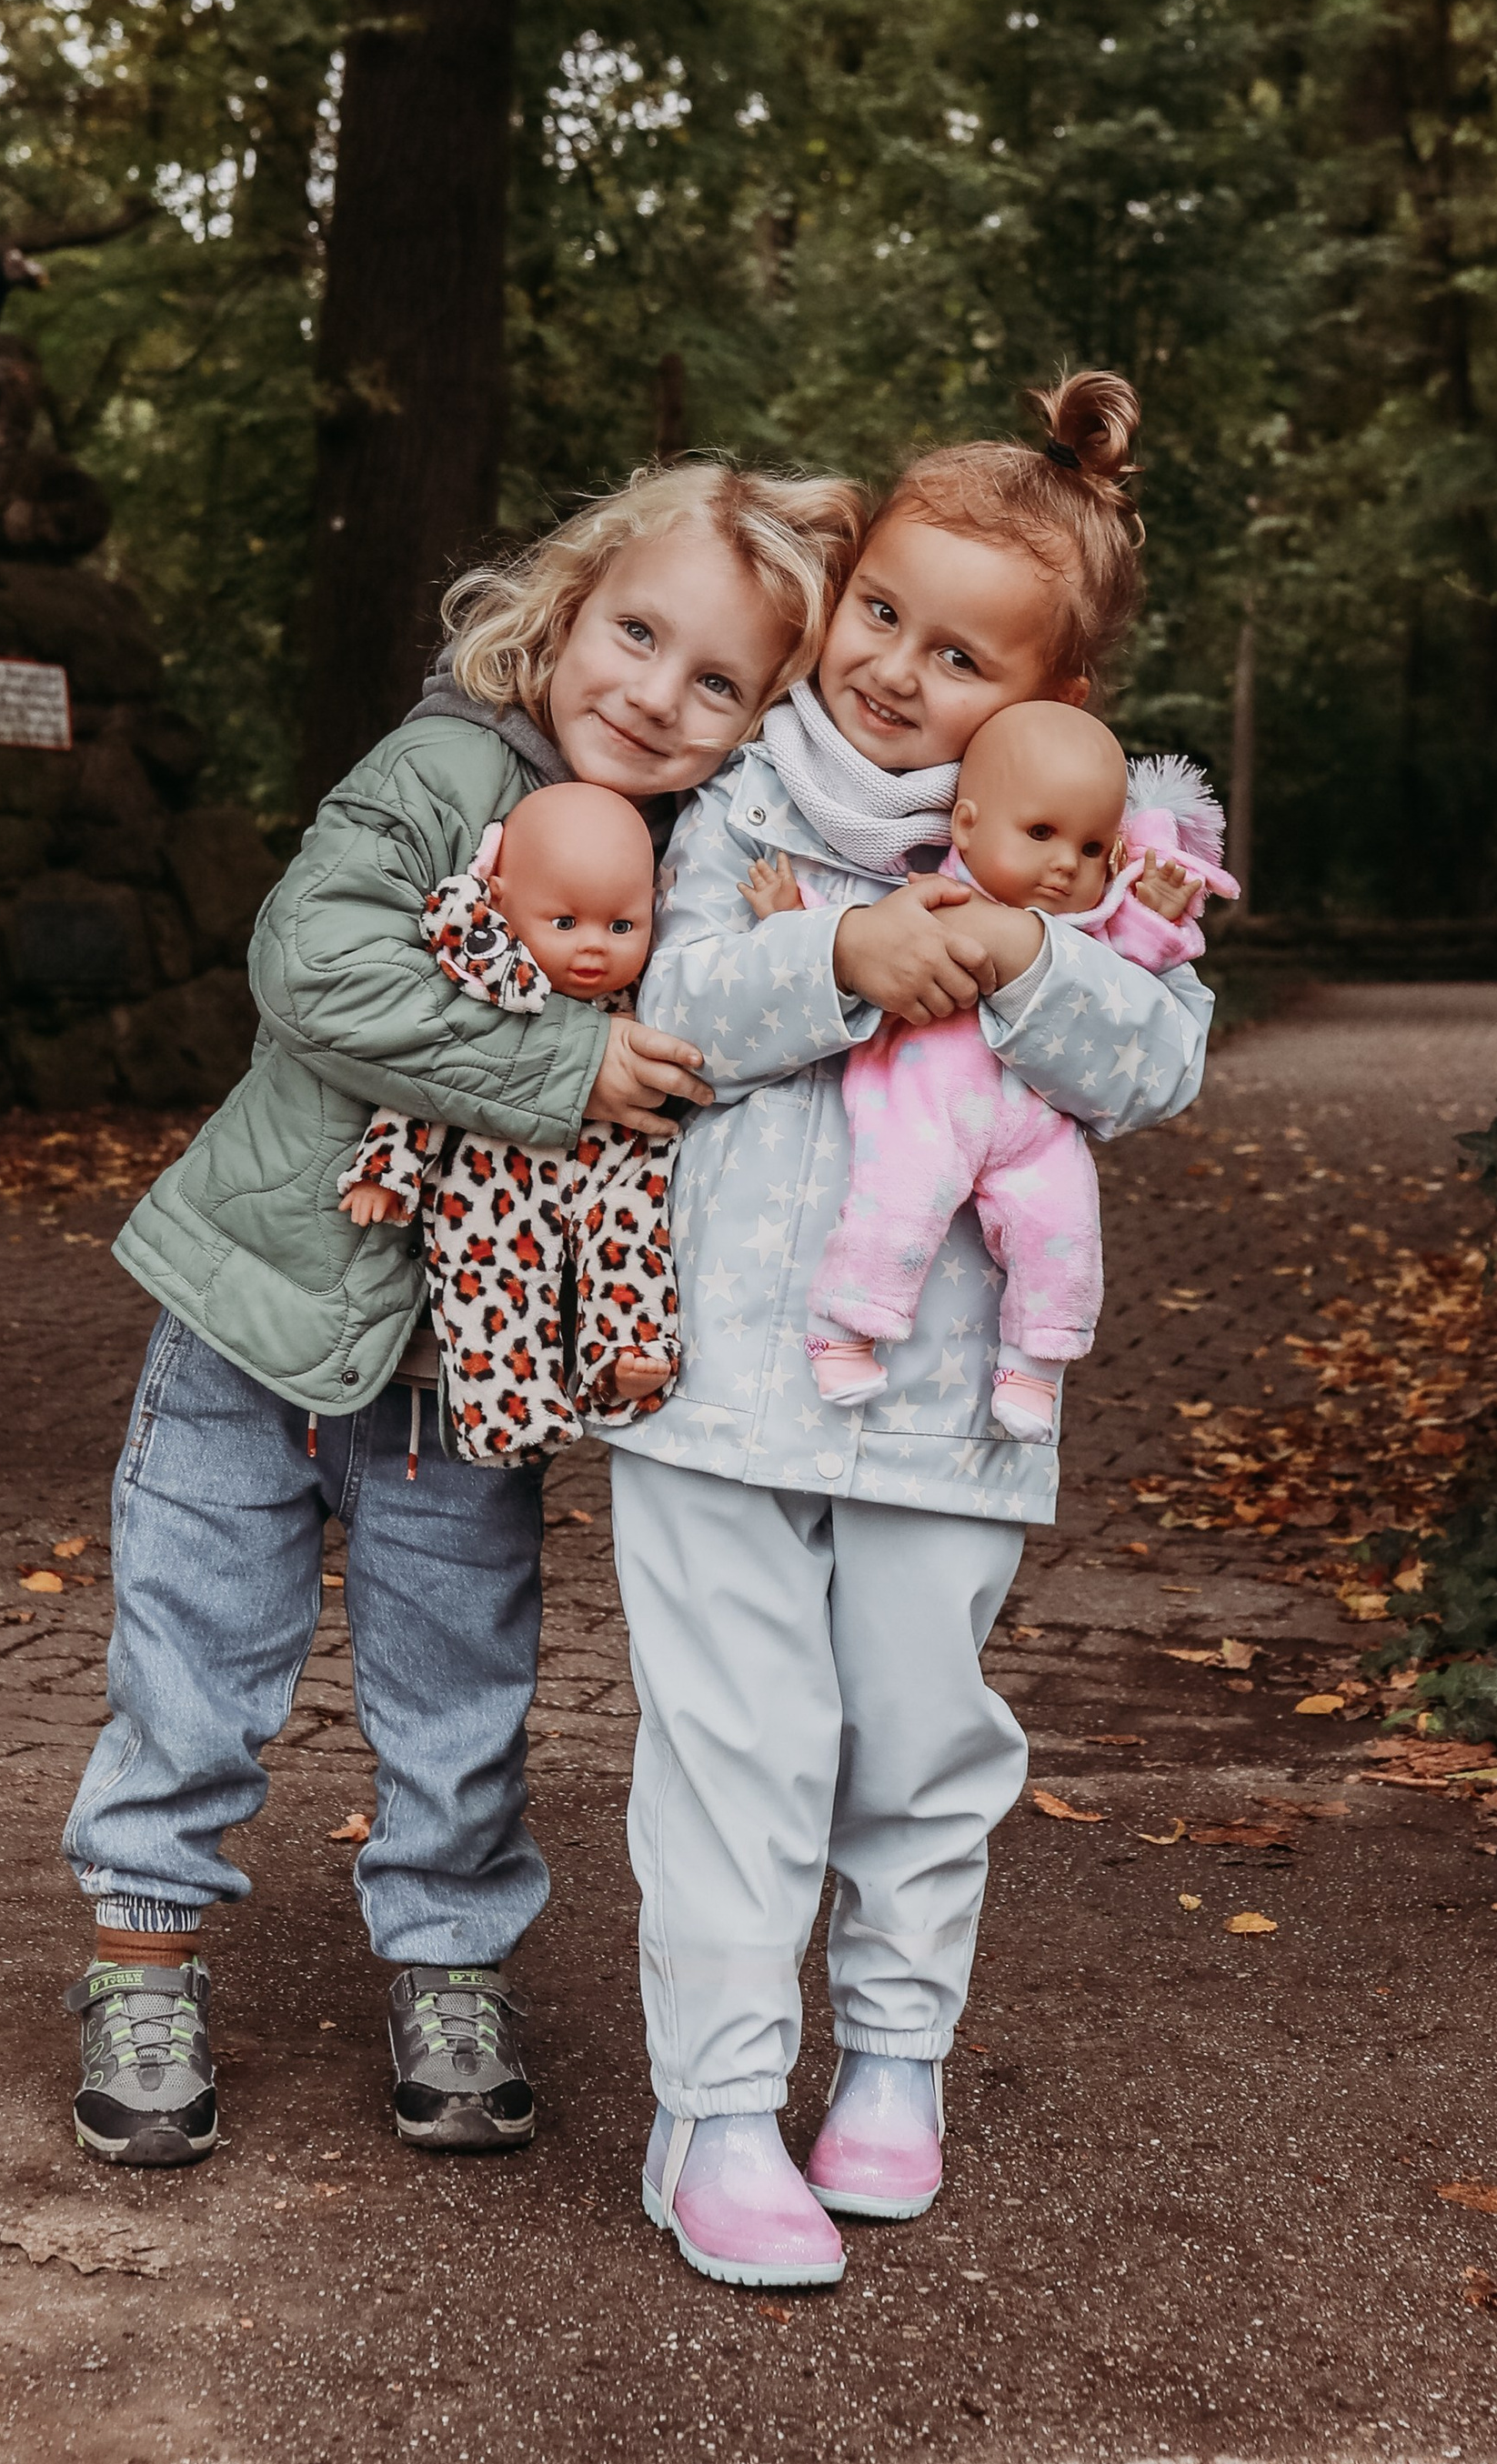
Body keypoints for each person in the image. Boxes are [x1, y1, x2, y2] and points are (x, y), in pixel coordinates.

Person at [59, 458, 866, 2169]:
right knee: (192, 1661)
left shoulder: (704, 857)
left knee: (459, 1689)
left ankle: (447, 1965)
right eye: (636, 633)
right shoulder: (442, 770)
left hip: (467, 1373)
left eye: (716, 679)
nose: (654, 693)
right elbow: (312, 964)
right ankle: (142, 1957)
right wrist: (565, 1066)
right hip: (253, 1321)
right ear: (565, 606)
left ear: (761, 716)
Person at [612, 372, 1213, 2289]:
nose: (890, 668)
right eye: (878, 611)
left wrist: (1034, 956)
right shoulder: (736, 797)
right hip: (713, 1377)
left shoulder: (1096, 856)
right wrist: (837, 958)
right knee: (735, 1749)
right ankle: (711, 2111)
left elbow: (1157, 1069)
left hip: (950, 1407)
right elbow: (669, 1003)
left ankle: (890, 2065)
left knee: (915, 1742)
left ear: (1051, 706)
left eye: (959, 656)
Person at [753, 706, 1235, 1442]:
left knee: (1064, 1230)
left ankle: (1036, 1363)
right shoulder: (935, 895)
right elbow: (861, 929)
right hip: (923, 1102)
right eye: (1040, 833)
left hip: (1034, 1130)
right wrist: (794, 914)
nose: (1067, 863)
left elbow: (1129, 969)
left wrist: (1156, 917)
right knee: (898, 1207)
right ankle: (843, 1327)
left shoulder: (1090, 925)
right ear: (969, 827)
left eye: (1093, 845)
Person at [338, 781, 680, 1463]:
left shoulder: (651, 989)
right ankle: (508, 1411)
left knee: (636, 1244)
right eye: (564, 923)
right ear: (501, 902)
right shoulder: (492, 989)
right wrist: (389, 1171)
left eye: (621, 926)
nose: (594, 949)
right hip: (495, 1177)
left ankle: (628, 1353)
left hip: (614, 1167)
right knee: (492, 1282)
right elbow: (426, 1083)